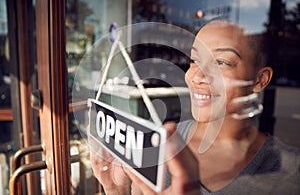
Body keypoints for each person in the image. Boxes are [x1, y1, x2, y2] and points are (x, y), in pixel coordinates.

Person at [90, 19, 300, 194]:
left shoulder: (291, 173)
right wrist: (116, 191)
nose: (197, 76)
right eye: (194, 60)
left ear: (260, 79)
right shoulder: (159, 141)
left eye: (222, 62)